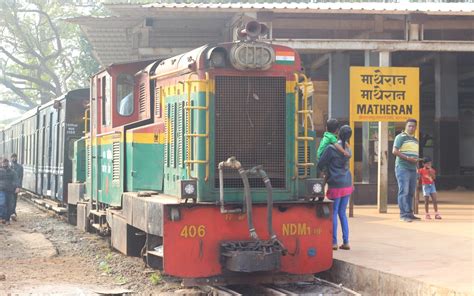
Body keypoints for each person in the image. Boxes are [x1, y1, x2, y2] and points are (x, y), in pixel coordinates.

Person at [317, 125, 353, 251]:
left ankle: (334, 242)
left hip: (336, 184)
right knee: (342, 213)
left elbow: (320, 163)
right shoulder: (349, 149)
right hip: (347, 183)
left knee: (334, 212)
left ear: (337, 133)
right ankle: (346, 241)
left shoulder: (331, 149)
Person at [392, 119, 420, 222]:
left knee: (411, 192)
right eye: (409, 126)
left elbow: (415, 155)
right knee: (404, 191)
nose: (411, 128)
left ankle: (409, 213)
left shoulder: (415, 140)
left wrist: (418, 169)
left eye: (413, 126)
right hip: (402, 168)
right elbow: (394, 151)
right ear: (406, 126)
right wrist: (408, 158)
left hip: (413, 169)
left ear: (416, 127)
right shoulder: (400, 137)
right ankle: (403, 214)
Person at [0, 158, 18, 224]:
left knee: (9, 205)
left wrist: (17, 187)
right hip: (1, 190)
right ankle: (3, 217)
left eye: (6, 163)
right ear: (2, 164)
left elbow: (16, 180)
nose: (5, 164)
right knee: (2, 203)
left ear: (8, 163)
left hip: (10, 190)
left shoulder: (12, 172)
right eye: (3, 163)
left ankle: (7, 219)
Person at [10, 153, 23, 221]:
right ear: (11, 158)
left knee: (14, 199)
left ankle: (13, 211)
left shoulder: (20, 167)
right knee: (9, 200)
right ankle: (10, 212)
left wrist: (19, 186)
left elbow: (20, 177)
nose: (14, 158)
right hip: (9, 186)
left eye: (15, 157)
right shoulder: (8, 166)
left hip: (15, 186)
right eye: (13, 157)